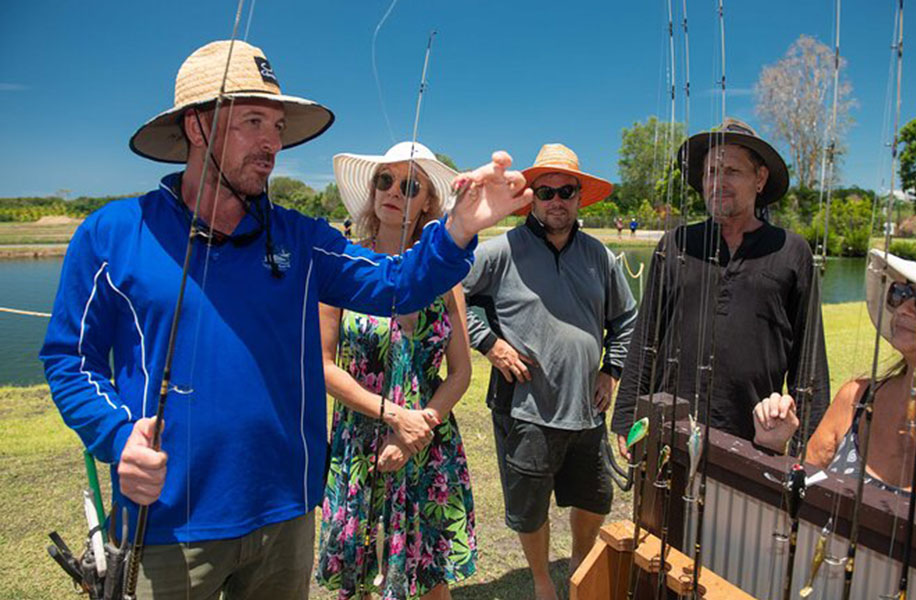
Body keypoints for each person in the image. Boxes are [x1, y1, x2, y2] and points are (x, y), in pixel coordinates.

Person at [39, 40, 529, 599]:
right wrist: (117, 435)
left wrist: (460, 230)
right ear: (197, 128)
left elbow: (399, 284)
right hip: (167, 524)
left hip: (286, 515)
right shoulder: (112, 234)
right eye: (253, 121)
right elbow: (70, 360)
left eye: (277, 125)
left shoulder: (302, 240)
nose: (273, 143)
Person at [462, 143, 637, 600]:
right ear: (531, 199)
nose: (556, 200)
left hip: (587, 407)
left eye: (566, 191)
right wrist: (490, 344)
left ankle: (579, 565)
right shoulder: (500, 250)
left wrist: (611, 370)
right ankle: (542, 582)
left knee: (594, 497)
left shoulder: (600, 256)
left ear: (580, 197)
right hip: (525, 407)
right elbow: (457, 297)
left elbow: (626, 320)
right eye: (546, 192)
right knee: (530, 506)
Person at [611, 118, 829, 456]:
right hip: (669, 428)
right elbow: (646, 334)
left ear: (760, 179)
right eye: (711, 172)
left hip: (755, 436)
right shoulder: (676, 243)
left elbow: (808, 357)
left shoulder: (791, 251)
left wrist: (809, 441)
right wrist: (627, 415)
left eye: (732, 171)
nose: (718, 182)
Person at [315, 142, 476, 599]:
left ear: (427, 201)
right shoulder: (342, 266)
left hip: (428, 439)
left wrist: (414, 429)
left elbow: (460, 372)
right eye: (384, 180)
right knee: (359, 573)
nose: (393, 192)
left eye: (410, 186)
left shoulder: (446, 273)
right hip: (360, 437)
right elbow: (323, 365)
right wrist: (392, 417)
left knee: (430, 576)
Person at [753, 247, 916, 526]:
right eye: (901, 293)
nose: (905, 308)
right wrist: (773, 445)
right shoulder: (854, 400)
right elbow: (795, 502)